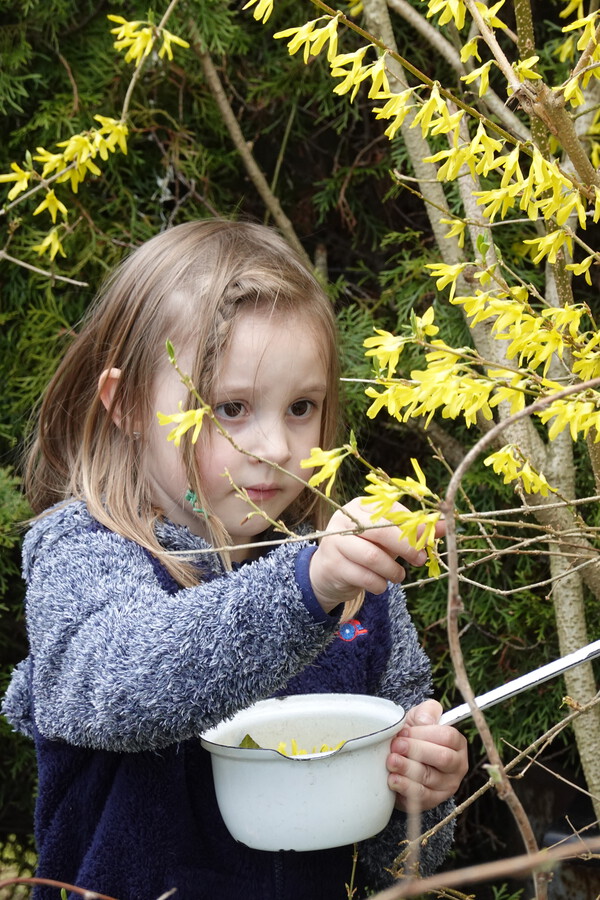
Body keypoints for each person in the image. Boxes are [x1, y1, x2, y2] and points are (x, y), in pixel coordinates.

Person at [2, 218, 467, 900]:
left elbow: (401, 870)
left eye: (302, 406)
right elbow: (126, 690)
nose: (275, 447)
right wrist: (306, 589)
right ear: (126, 403)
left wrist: (416, 793)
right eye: (230, 409)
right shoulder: (83, 553)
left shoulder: (355, 585)